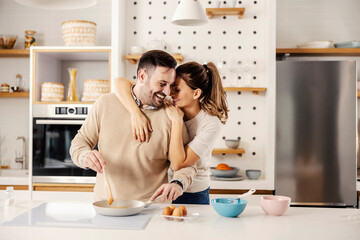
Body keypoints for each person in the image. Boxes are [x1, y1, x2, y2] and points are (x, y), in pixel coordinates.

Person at [70, 50, 197, 203]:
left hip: (151, 209)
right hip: (107, 205)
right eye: (162, 84)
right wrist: (85, 156)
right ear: (142, 76)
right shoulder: (105, 104)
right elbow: (79, 143)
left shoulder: (172, 116)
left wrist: (178, 183)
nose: (167, 92)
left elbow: (187, 166)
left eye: (170, 85)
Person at [114, 61, 229, 204]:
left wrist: (177, 122)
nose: (169, 93)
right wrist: (135, 113)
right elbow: (119, 83)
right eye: (169, 87)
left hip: (193, 193)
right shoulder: (169, 101)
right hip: (163, 189)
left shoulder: (211, 123)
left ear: (196, 93)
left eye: (176, 89)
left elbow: (178, 164)